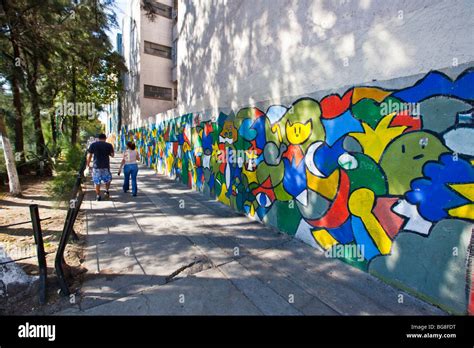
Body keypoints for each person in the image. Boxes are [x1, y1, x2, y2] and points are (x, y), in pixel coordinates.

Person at [86, 133, 114, 201]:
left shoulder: (93, 145)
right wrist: (108, 152)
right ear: (105, 138)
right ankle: (106, 191)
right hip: (105, 166)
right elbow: (112, 155)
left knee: (97, 182)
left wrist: (88, 165)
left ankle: (98, 195)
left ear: (98, 138)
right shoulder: (109, 145)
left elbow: (89, 155)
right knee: (108, 179)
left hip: (96, 166)